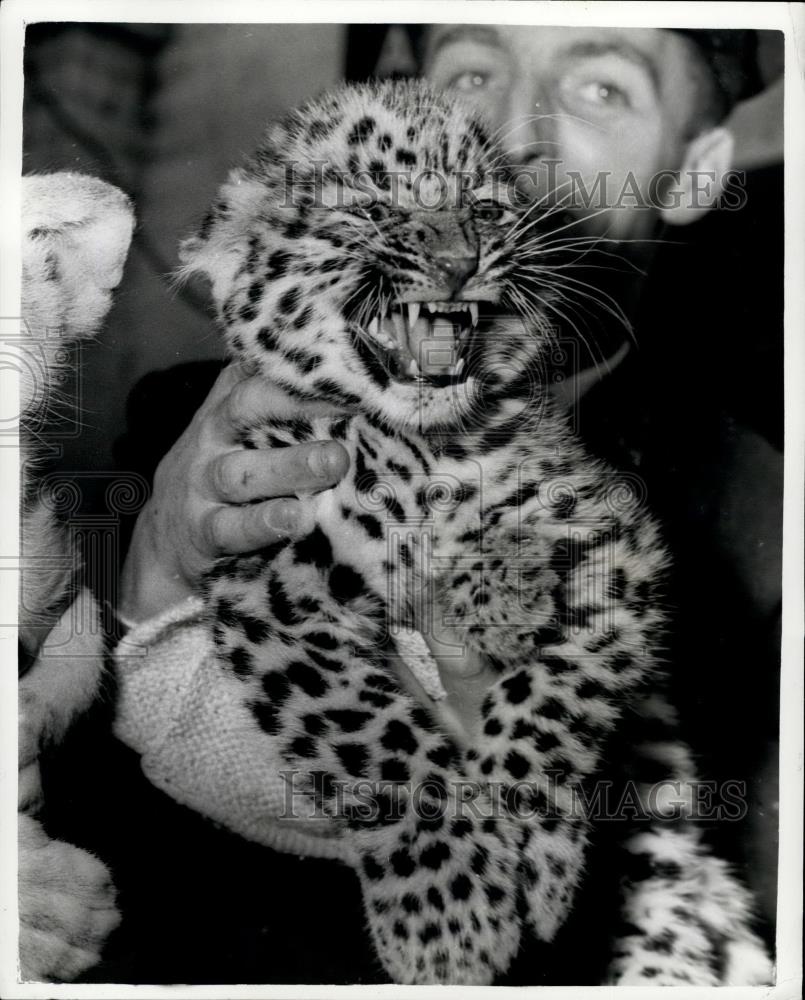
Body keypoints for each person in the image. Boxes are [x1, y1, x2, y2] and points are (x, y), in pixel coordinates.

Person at [65, 24, 779, 984]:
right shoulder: (175, 426)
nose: (506, 129)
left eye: (601, 88)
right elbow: (66, 851)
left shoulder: (763, 532)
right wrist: (150, 587)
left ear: (697, 173)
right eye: (472, 70)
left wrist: (524, 762)